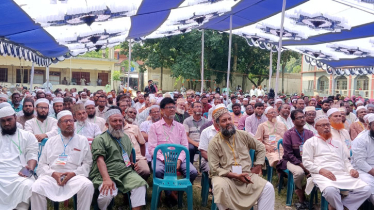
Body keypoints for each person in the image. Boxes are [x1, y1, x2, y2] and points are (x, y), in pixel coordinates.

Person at [207, 105, 274, 210]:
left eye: (229, 119)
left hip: (246, 175)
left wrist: (258, 166)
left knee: (268, 188)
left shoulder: (243, 135)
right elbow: (214, 168)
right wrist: (234, 175)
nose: (228, 122)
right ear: (217, 124)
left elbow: (260, 147)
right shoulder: (214, 143)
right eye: (224, 120)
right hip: (226, 178)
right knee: (219, 187)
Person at [302, 115, 370, 210]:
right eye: (322, 125)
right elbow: (306, 162)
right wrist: (321, 170)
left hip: (342, 173)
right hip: (322, 175)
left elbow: (345, 161)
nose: (326, 127)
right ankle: (339, 207)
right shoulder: (310, 142)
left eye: (327, 125)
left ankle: (343, 206)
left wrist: (351, 169)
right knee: (330, 191)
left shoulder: (338, 143)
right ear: (315, 127)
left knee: (366, 189)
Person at [31, 110, 94, 210]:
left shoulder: (82, 140)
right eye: (65, 121)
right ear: (58, 125)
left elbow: (88, 163)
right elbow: (42, 164)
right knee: (36, 187)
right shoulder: (51, 141)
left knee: (87, 185)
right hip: (52, 176)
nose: (69, 123)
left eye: (71, 121)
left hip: (74, 176)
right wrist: (53, 173)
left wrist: (74, 173)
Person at [90, 107, 148, 210]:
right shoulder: (100, 139)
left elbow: (128, 153)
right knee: (107, 193)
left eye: (120, 120)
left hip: (124, 172)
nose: (118, 123)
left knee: (140, 185)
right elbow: (99, 160)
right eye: (114, 121)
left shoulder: (125, 137)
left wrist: (130, 164)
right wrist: (106, 179)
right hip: (105, 173)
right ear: (107, 124)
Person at [148, 97, 198, 203]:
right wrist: (163, 159)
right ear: (162, 110)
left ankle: (176, 193)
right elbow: (152, 148)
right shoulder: (154, 127)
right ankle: (167, 193)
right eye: (168, 107)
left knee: (193, 172)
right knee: (158, 171)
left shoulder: (180, 127)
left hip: (178, 157)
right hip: (160, 158)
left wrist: (179, 160)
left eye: (173, 107)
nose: (172, 109)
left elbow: (185, 146)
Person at [0, 106, 38, 210]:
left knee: (28, 185)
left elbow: (32, 154)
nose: (6, 123)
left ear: (15, 118)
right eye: (3, 121)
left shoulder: (27, 136)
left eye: (9, 120)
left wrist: (29, 169)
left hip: (19, 172)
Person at [276, 110, 314, 209]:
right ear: (293, 121)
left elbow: (314, 150)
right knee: (299, 173)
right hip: (291, 160)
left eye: (303, 117)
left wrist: (310, 165)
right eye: (299, 118)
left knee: (317, 171)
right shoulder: (288, 134)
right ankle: (299, 192)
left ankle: (305, 190)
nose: (302, 119)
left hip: (307, 160)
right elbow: (288, 154)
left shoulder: (310, 133)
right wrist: (302, 165)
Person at [351, 114, 374, 204]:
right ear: (369, 126)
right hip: (363, 170)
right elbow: (360, 162)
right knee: (370, 184)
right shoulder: (361, 139)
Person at [123, 115, 150, 180]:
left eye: (120, 120)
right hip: (122, 158)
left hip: (137, 157)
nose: (118, 122)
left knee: (145, 171)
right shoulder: (113, 131)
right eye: (115, 120)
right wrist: (128, 163)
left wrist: (142, 157)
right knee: (127, 171)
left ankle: (140, 184)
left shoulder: (134, 128)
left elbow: (142, 143)